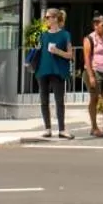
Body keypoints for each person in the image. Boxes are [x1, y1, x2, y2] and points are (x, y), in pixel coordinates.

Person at [35, 7, 75, 139]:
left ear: (55, 19)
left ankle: (62, 130)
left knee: (59, 101)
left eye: (48, 17)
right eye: (45, 17)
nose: (46, 20)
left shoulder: (65, 35)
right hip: (43, 71)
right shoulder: (43, 35)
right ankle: (47, 128)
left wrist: (58, 51)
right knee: (44, 101)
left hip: (57, 72)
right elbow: (38, 52)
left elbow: (70, 55)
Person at [84, 14, 103, 138]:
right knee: (94, 98)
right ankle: (94, 127)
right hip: (94, 71)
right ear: (95, 25)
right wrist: (91, 76)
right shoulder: (89, 39)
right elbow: (86, 58)